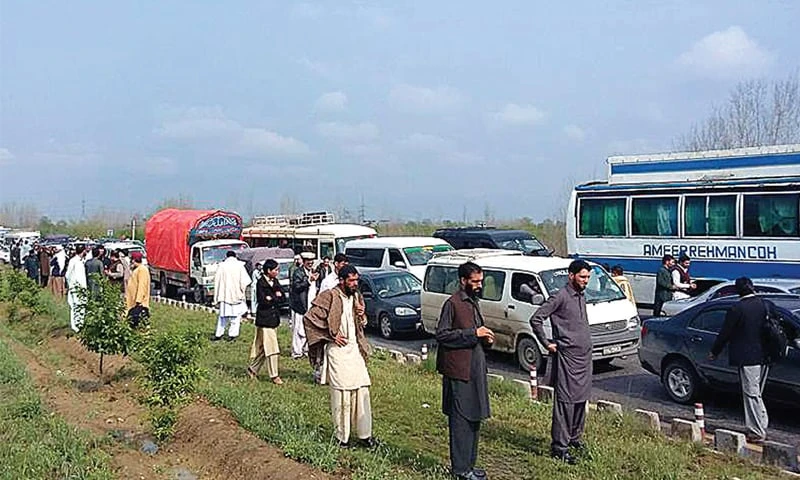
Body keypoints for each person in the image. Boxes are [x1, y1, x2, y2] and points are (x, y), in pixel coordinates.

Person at [304, 265, 376, 448]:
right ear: (342, 280)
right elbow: (310, 318)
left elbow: (361, 324)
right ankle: (341, 438)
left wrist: (362, 315)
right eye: (351, 280)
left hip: (354, 350)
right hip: (337, 350)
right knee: (342, 394)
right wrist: (330, 335)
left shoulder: (357, 297)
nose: (355, 284)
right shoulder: (329, 296)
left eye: (356, 280)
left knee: (362, 391)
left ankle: (365, 436)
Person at [530, 259, 593, 465]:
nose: (586, 281)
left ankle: (574, 439)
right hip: (567, 359)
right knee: (566, 403)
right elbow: (536, 319)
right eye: (582, 277)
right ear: (571, 275)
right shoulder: (560, 296)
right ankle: (560, 447)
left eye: (588, 277)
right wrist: (547, 343)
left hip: (584, 359)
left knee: (580, 401)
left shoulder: (581, 296)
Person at [436, 261, 494, 480]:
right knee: (461, 420)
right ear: (463, 281)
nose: (479, 285)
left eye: (481, 281)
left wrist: (485, 337)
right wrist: (473, 333)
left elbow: (476, 332)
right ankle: (460, 470)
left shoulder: (473, 302)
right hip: (459, 371)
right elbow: (442, 335)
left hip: (475, 369)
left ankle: (469, 465)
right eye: (475, 281)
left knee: (474, 417)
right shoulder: (453, 303)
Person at [709, 277, 772, 443]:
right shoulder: (763, 304)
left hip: (747, 356)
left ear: (738, 291)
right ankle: (762, 422)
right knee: (756, 392)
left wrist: (715, 351)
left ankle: (757, 431)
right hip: (764, 355)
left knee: (751, 393)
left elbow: (725, 333)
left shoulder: (737, 308)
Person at [247, 259, 284, 385]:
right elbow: (263, 300)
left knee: (264, 348)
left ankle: (252, 369)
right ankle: (274, 375)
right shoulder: (260, 283)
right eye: (275, 270)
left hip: (274, 319)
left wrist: (272, 297)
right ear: (269, 271)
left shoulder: (276, 282)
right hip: (265, 320)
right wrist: (275, 296)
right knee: (273, 348)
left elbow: (282, 298)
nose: (277, 272)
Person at [212, 251, 251, 341]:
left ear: (226, 256)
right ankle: (232, 335)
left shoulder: (221, 266)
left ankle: (219, 334)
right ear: (235, 256)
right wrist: (242, 291)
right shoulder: (240, 266)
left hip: (225, 295)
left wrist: (217, 296)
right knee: (235, 317)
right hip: (236, 295)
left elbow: (216, 280)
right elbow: (245, 281)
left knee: (222, 316)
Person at [290, 252, 319, 358]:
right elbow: (296, 287)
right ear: (304, 261)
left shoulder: (314, 272)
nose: (310, 264)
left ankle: (306, 350)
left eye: (312, 262)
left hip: (310, 305)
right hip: (300, 306)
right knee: (298, 330)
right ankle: (297, 352)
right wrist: (308, 281)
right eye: (308, 262)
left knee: (309, 329)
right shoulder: (298, 272)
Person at [65, 245, 88, 332]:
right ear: (83, 251)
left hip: (82, 288)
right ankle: (75, 326)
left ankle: (80, 324)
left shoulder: (81, 261)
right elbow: (68, 274)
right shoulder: (73, 261)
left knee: (82, 305)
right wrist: (71, 285)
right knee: (75, 306)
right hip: (75, 288)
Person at [125, 251, 150, 328]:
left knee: (138, 322)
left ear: (133, 260)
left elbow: (142, 286)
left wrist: (138, 300)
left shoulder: (142, 270)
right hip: (133, 302)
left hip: (138, 303)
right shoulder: (137, 269)